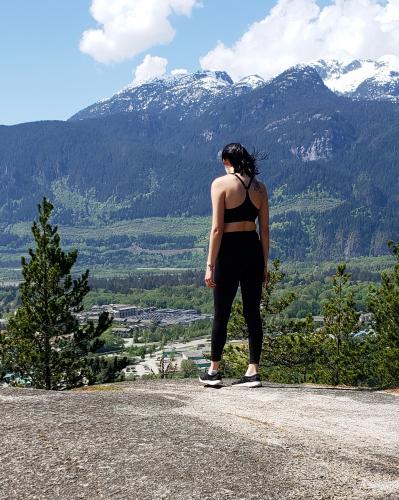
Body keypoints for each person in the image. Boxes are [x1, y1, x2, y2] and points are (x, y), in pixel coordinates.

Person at [199, 143, 269, 388]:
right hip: (252, 250)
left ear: (227, 160)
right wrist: (264, 264)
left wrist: (210, 265)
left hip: (228, 252)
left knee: (222, 312)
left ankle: (214, 371)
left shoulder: (220, 184)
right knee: (253, 313)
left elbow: (217, 228)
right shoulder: (260, 188)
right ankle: (253, 371)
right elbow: (265, 230)